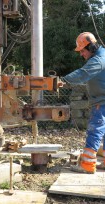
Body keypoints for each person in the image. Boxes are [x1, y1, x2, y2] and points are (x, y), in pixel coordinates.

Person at [62, 32, 105, 174]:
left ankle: (87, 164)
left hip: (102, 102)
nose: (81, 54)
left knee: (95, 130)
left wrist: (63, 81)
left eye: (82, 50)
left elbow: (83, 74)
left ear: (91, 47)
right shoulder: (102, 55)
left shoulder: (98, 60)